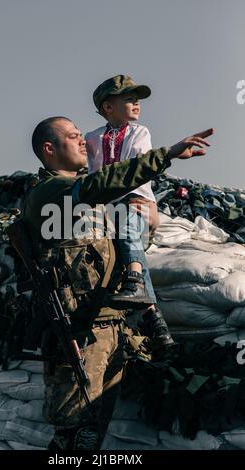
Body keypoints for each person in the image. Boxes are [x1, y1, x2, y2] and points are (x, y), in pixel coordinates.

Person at [22, 116, 213, 449]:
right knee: (74, 438)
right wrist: (165, 155)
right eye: (72, 136)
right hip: (80, 332)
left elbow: (118, 245)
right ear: (49, 149)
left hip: (111, 329)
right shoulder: (50, 193)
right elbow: (106, 181)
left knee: (94, 434)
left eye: (82, 135)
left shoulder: (91, 201)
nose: (83, 141)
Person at [85, 74, 172, 350]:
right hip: (107, 207)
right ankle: (152, 317)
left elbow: (135, 168)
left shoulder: (140, 132)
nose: (137, 104)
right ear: (107, 107)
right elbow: (91, 174)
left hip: (136, 201)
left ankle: (134, 277)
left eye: (137, 100)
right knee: (120, 233)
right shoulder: (92, 138)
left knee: (127, 217)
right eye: (129, 99)